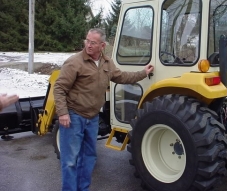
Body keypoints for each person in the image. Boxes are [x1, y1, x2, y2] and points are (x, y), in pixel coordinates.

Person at [53, 28, 154, 191]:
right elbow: (59, 88)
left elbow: (123, 77)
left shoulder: (107, 63)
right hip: (74, 116)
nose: (88, 45)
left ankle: (83, 188)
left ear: (102, 45)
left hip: (92, 118)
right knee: (70, 160)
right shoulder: (75, 62)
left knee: (89, 158)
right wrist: (63, 113)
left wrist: (143, 73)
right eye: (87, 41)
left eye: (93, 42)